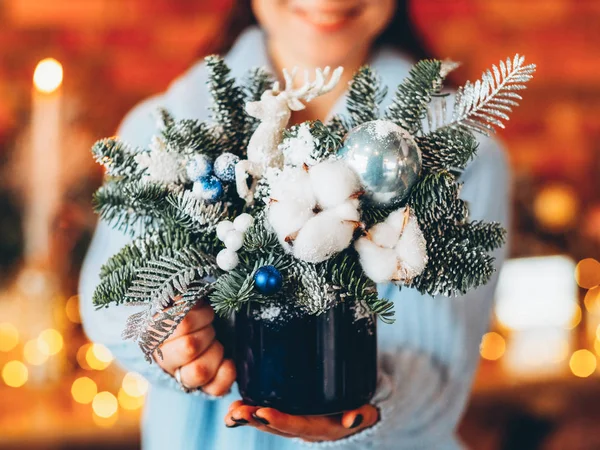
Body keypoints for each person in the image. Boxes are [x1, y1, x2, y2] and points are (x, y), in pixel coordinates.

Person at [79, 1, 510, 449]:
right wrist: (172, 338)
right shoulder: (158, 138)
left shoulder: (463, 159)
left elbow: (438, 371)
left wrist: (375, 404)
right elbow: (112, 297)